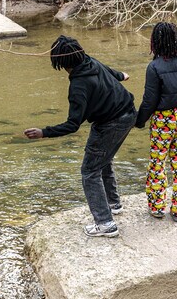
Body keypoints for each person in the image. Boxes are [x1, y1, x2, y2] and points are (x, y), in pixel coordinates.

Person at [24, 35, 136, 238]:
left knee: (89, 171)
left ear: (60, 62)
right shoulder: (89, 61)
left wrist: (44, 133)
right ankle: (113, 204)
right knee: (103, 161)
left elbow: (72, 125)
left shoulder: (78, 86)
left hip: (110, 123)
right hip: (128, 114)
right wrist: (122, 76)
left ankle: (105, 223)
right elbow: (109, 71)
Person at [135, 22, 177, 222]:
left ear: (155, 42)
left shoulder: (154, 67)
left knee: (158, 163)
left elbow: (149, 100)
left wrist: (139, 121)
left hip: (164, 120)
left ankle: (157, 207)